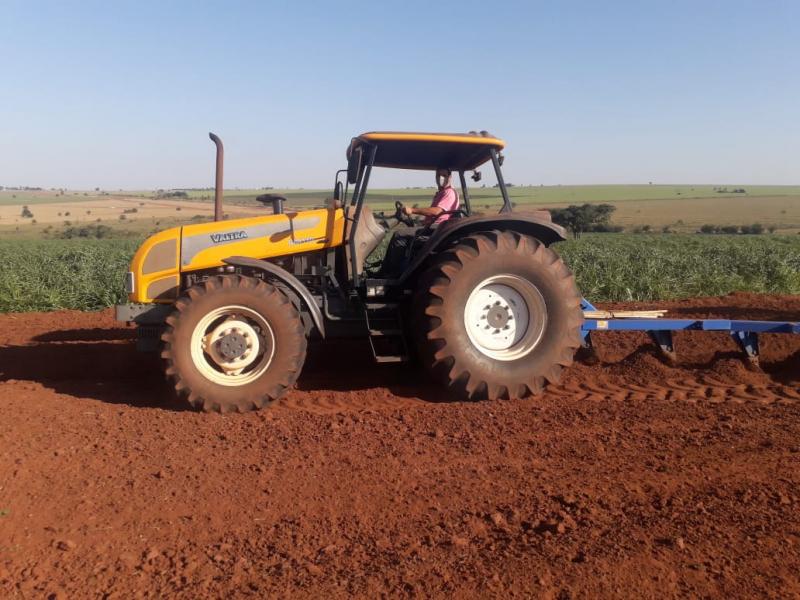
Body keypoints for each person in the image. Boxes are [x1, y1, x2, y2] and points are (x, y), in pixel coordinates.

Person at [378, 169, 460, 276]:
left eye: (444, 175)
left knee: (399, 235)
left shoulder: (449, 193)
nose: (440, 178)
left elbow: (437, 211)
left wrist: (413, 210)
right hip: (431, 227)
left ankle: (391, 274)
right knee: (406, 234)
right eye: (438, 175)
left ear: (450, 177)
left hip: (437, 229)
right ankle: (393, 269)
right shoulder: (441, 193)